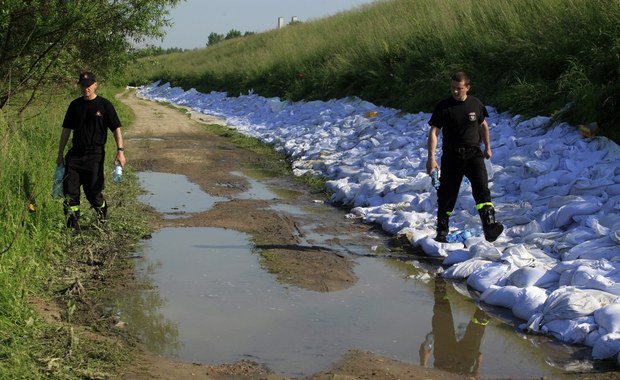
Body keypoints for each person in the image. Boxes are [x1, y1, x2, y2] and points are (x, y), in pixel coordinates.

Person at [426, 71, 503, 242]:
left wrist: (488, 147)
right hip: (452, 156)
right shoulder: (443, 107)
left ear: (467, 87)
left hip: (474, 154)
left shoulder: (475, 104)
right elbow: (434, 132)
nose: (454, 91)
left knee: (482, 189)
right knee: (447, 194)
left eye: (458, 88)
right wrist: (431, 157)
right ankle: (442, 230)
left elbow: (483, 125)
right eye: (452, 88)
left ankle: (490, 227)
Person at [56, 71, 125, 230]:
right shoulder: (75, 105)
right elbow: (66, 131)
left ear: (95, 85)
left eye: (88, 85)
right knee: (70, 192)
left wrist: (120, 151)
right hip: (75, 154)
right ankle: (73, 226)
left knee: (93, 193)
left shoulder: (104, 105)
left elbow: (116, 129)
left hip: (95, 154)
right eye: (83, 85)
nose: (85, 88)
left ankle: (102, 214)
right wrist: (60, 155)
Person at [419, 277, 489, 379]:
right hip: (451, 359)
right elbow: (427, 345)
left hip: (454, 360)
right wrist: (423, 364)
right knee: (442, 309)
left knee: (480, 321)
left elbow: (428, 344)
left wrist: (423, 364)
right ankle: (441, 280)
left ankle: (487, 292)